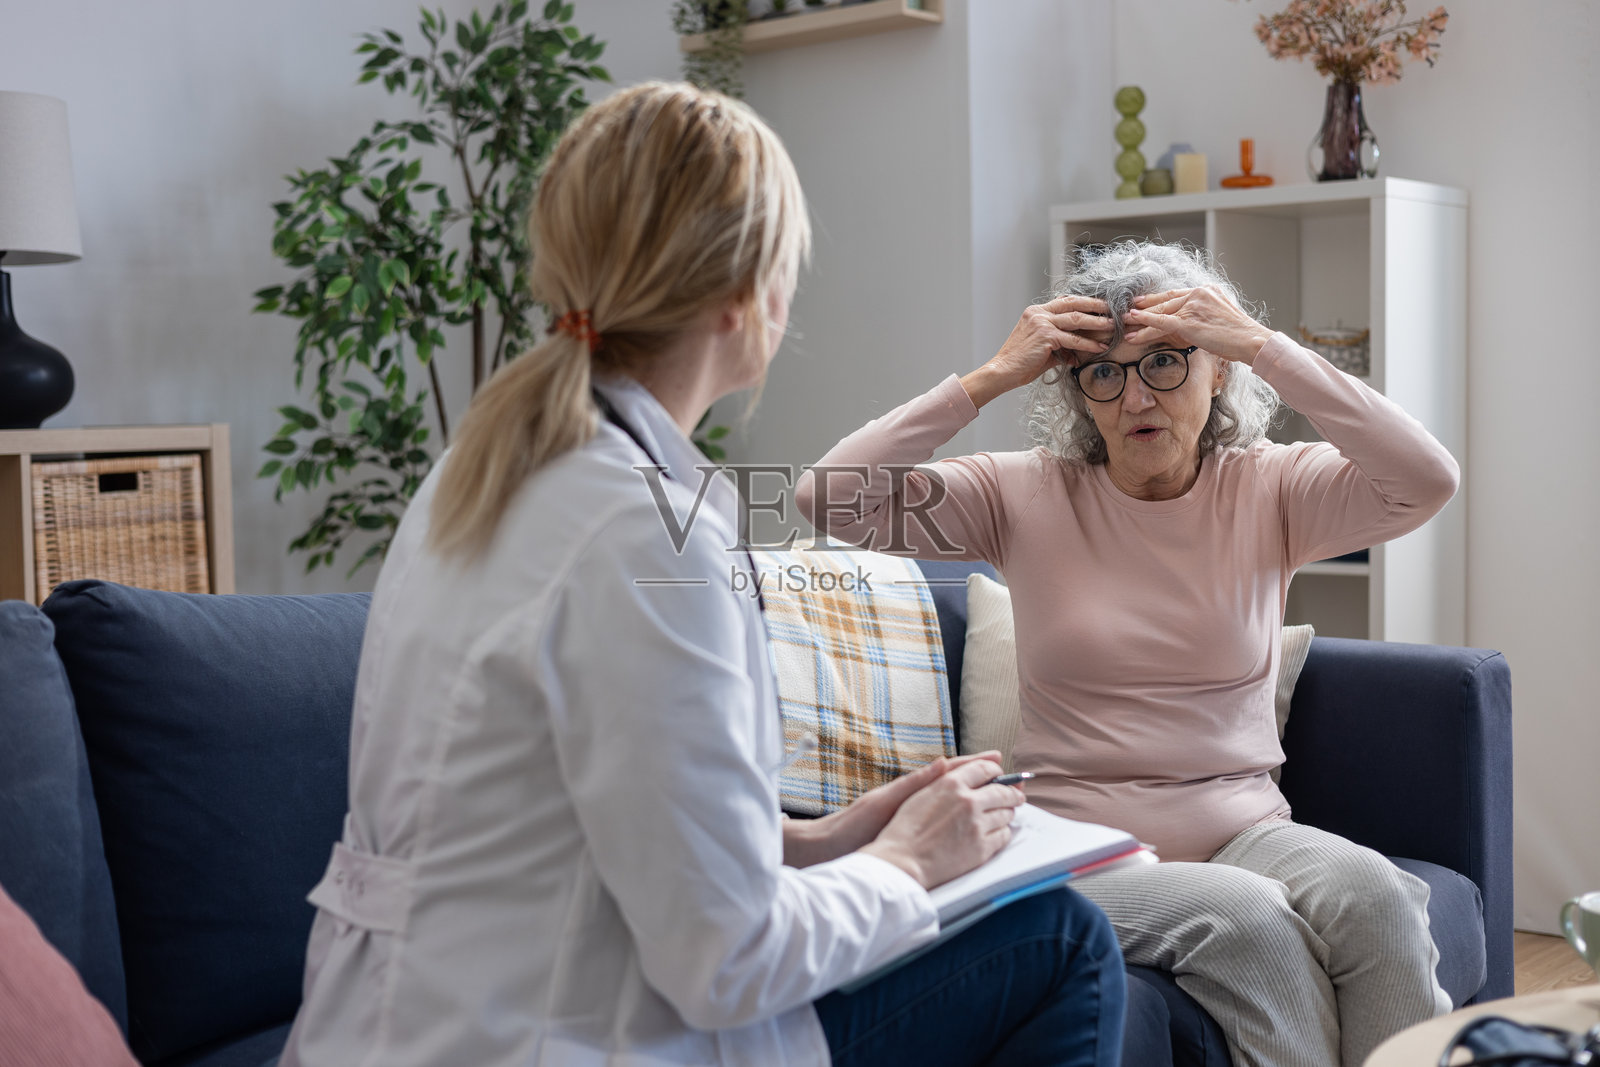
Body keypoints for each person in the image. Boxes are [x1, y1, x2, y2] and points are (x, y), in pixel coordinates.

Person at [276, 82, 1125, 1067]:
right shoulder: (643, 530)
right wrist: (907, 861)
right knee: (1066, 938)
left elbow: (575, 812)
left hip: (397, 1024)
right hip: (543, 1036)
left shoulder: (476, 473)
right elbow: (727, 960)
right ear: (745, 295)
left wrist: (821, 839)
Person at [795, 240, 1461, 1067]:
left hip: (1245, 825)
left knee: (1381, 898)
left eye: (1168, 363)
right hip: (1071, 847)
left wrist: (1263, 345)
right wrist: (991, 376)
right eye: (1102, 373)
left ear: (1218, 372)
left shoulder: (1271, 488)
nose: (1135, 395)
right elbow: (825, 496)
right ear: (1079, 392)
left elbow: (1426, 478)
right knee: (1250, 921)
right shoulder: (1019, 492)